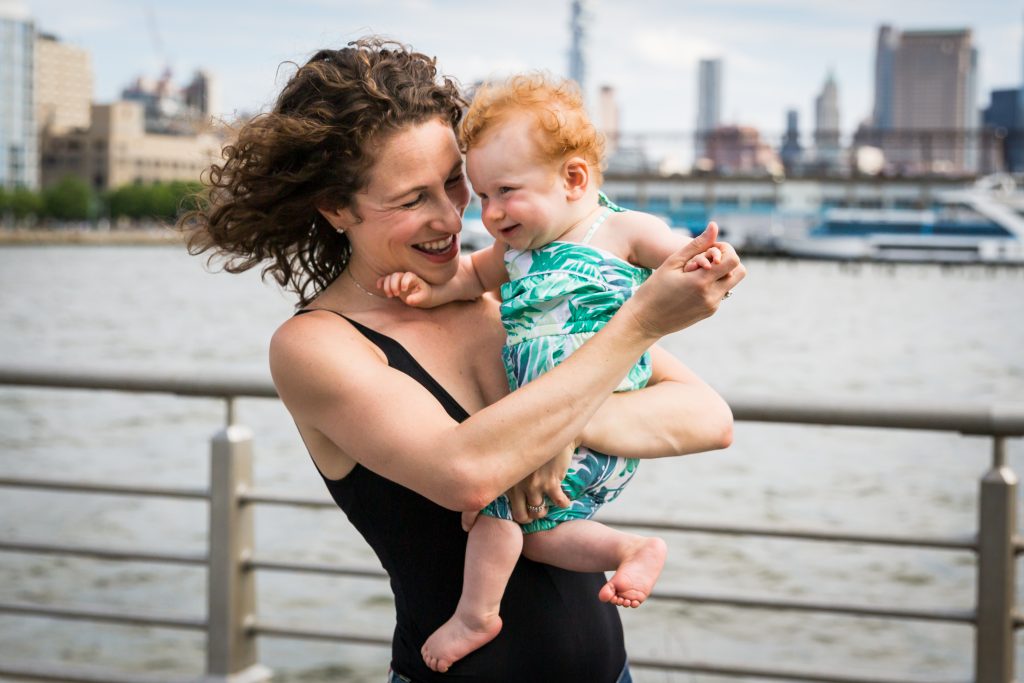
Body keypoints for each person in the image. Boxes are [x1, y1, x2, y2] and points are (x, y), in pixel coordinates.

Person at [180, 38, 745, 683]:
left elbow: (708, 417)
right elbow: (468, 473)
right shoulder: (318, 344)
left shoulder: (520, 289)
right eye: (412, 198)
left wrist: (560, 428)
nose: (452, 217)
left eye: (454, 183)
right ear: (337, 208)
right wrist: (638, 324)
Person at [378, 73, 727, 673]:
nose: (488, 213)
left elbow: (676, 254)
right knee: (536, 528)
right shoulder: (514, 256)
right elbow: (463, 280)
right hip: (553, 415)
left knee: (495, 515)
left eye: (505, 191)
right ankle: (628, 547)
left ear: (573, 179)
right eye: (481, 195)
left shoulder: (617, 230)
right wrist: (423, 291)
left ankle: (475, 616)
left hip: (590, 408)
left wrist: (705, 258)